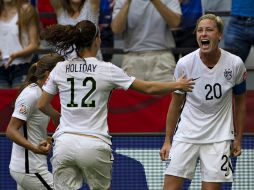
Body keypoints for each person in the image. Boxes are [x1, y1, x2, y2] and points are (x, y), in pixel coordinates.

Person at [38, 20, 194, 190]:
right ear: (96, 40)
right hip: (94, 143)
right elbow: (148, 88)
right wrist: (177, 85)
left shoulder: (60, 68)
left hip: (64, 144)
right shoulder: (107, 69)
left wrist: (56, 116)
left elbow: (42, 104)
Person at [160, 14, 247, 190]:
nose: (203, 34)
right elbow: (175, 104)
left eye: (209, 30)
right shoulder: (184, 64)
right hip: (186, 135)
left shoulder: (235, 64)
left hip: (219, 138)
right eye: (200, 30)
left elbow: (240, 102)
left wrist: (238, 138)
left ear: (219, 35)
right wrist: (168, 140)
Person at [6, 54, 65, 190]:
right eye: (61, 74)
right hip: (30, 170)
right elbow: (11, 130)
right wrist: (34, 148)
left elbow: (49, 121)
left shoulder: (41, 95)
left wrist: (47, 139)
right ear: (48, 74)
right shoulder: (30, 94)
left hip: (28, 168)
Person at [111, 0, 182, 82]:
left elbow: (175, 23)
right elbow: (116, 29)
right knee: (132, 95)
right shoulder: (122, 1)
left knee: (166, 94)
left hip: (162, 57)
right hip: (132, 57)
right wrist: (127, 2)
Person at [0, 0, 40, 89]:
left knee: (20, 101)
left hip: (23, 66)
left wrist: (15, 55)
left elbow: (34, 44)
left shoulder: (27, 10)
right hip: (1, 67)